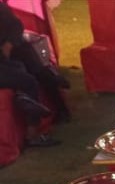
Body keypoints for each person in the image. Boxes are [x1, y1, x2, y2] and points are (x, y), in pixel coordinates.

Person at [0, 1, 68, 147]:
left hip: (8, 53)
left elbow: (16, 26)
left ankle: (58, 105)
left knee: (32, 63)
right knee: (27, 80)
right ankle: (32, 135)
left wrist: (9, 44)